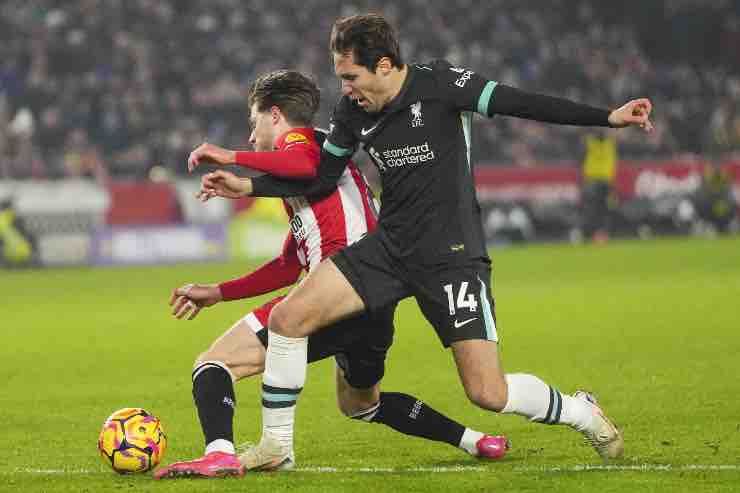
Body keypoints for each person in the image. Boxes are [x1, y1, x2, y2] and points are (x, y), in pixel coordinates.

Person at [196, 13, 654, 465]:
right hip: (389, 249)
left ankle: (580, 411)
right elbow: (319, 178)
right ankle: (276, 448)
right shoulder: (352, 112)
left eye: (351, 76)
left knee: (487, 393)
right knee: (288, 318)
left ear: (384, 66)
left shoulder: (442, 84)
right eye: (340, 77)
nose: (345, 88)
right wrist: (247, 184)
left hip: (451, 255)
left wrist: (608, 118)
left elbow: (522, 102)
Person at [153, 70, 508, 480]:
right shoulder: (302, 179)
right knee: (361, 403)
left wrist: (233, 158)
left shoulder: (308, 143)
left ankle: (221, 452)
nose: (251, 138)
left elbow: (302, 160)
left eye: (253, 125)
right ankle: (475, 440)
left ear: (274, 115)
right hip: (372, 304)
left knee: (213, 363)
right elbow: (289, 263)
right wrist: (218, 291)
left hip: (337, 292)